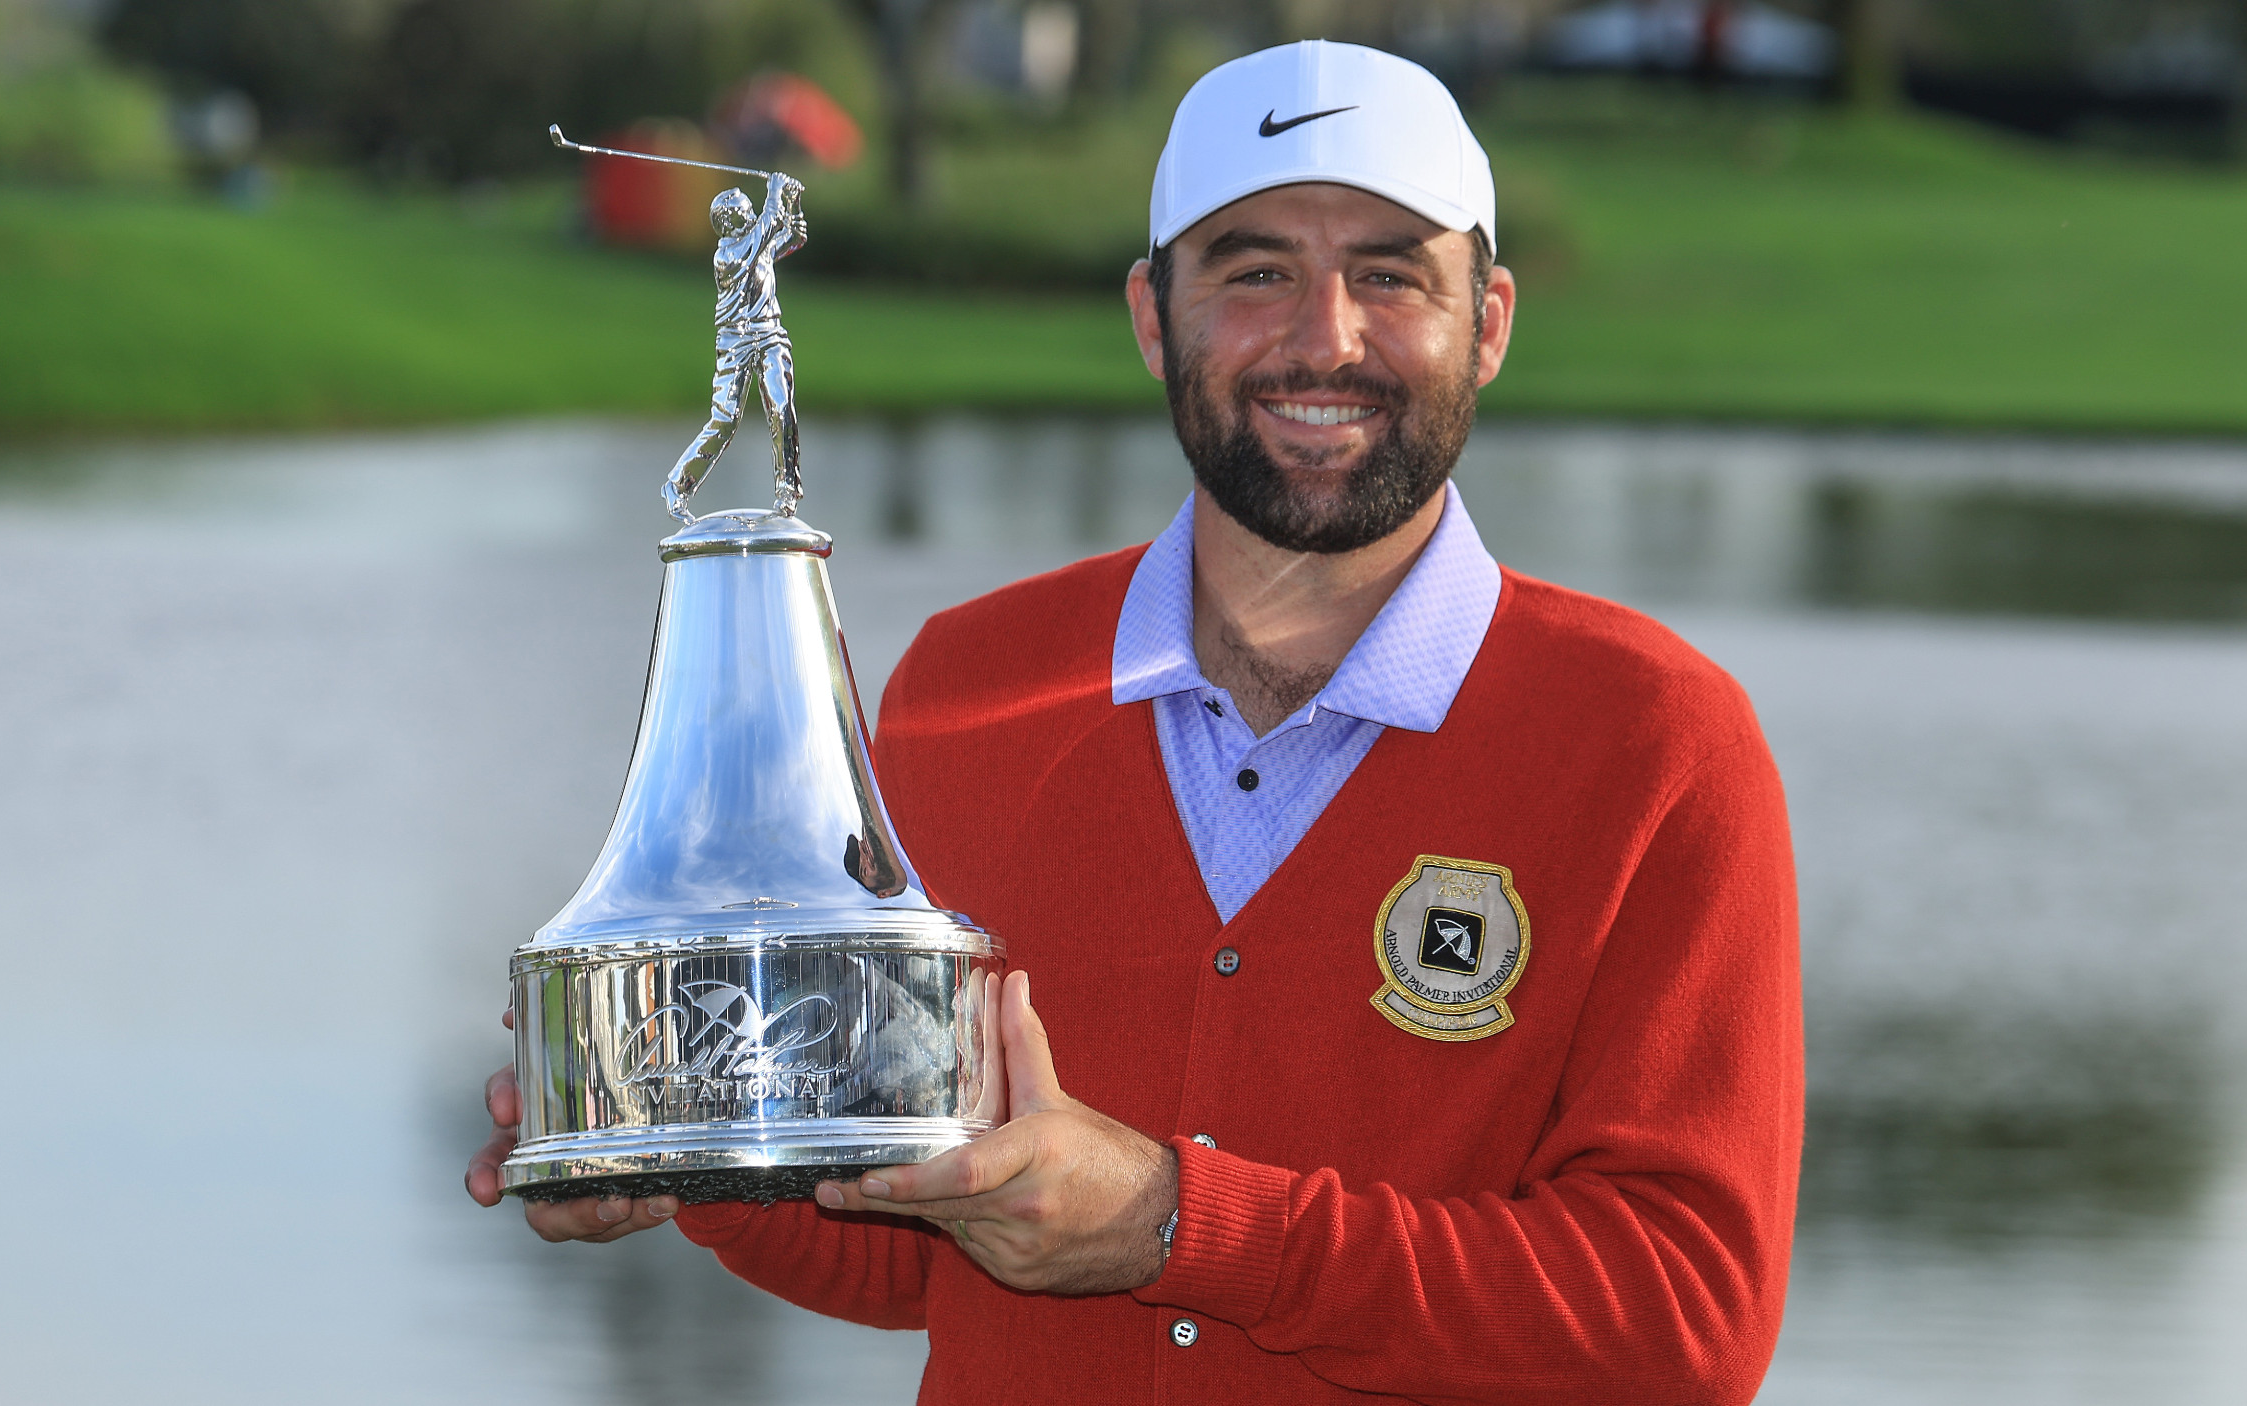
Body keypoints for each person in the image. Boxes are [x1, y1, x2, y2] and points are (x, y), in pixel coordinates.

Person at [469, 39, 1801, 1405]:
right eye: (1254, 269)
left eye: (1392, 274)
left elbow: (1683, 1320)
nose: (1323, 336)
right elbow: (912, 1248)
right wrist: (682, 1147)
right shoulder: (971, 686)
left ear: (1493, 319)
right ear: (1154, 316)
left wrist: (1180, 1222)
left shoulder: (1658, 743)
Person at [665, 170, 807, 523]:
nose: (748, 211)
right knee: (725, 420)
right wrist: (775, 190)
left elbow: (793, 234)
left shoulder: (756, 246)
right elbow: (770, 224)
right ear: (729, 221)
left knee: (781, 406)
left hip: (771, 333)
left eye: (747, 205)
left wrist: (794, 199)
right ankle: (677, 486)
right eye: (742, 208)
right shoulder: (729, 255)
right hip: (736, 341)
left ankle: (788, 489)